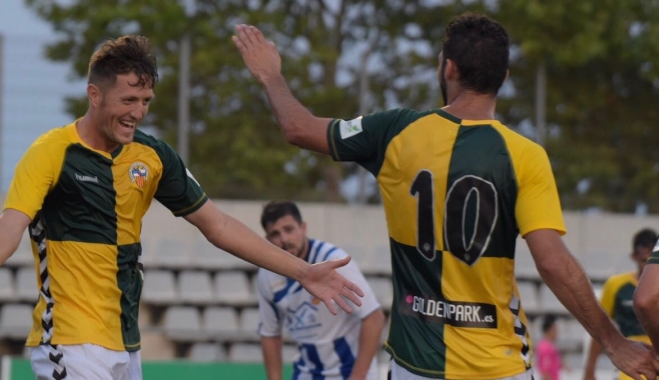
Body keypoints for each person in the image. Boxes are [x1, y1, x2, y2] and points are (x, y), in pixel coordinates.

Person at [232, 13, 659, 380]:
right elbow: (551, 261)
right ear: (503, 79)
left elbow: (298, 128)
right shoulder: (525, 156)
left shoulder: (395, 131)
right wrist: (614, 342)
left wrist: (270, 75)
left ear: (449, 69)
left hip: (414, 365)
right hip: (498, 364)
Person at [0, 35, 364, 380]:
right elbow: (11, 223)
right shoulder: (52, 152)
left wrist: (302, 271)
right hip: (70, 341)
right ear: (94, 95)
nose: (138, 113)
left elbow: (219, 224)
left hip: (126, 345)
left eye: (146, 102)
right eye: (128, 101)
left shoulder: (152, 157)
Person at [257, 200, 385, 380]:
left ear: (303, 228)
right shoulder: (267, 274)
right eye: (275, 234)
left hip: (350, 371)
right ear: (267, 240)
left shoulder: (333, 261)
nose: (284, 239)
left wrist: (357, 377)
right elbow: (270, 334)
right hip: (307, 372)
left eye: (289, 229)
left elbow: (374, 317)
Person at [584, 228, 657, 380]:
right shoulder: (616, 285)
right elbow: (601, 325)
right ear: (634, 257)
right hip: (633, 357)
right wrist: (590, 370)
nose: (647, 267)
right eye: (644, 260)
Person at [536, 315, 563, 380]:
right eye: (555, 330)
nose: (557, 333)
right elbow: (545, 372)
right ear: (549, 330)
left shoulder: (551, 346)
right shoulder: (545, 348)